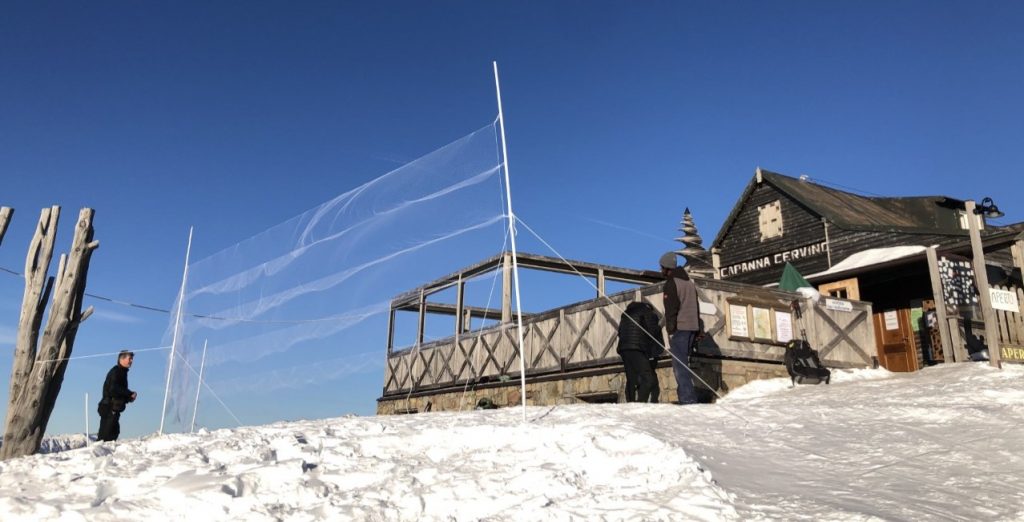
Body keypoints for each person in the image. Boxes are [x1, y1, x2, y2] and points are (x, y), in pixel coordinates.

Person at [660, 251, 700, 405]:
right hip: (692, 328)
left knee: (679, 366)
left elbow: (671, 310)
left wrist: (671, 331)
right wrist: (699, 330)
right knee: (684, 363)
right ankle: (687, 395)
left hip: (681, 328)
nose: (661, 270)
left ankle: (687, 398)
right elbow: (696, 307)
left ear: (666, 268)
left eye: (662, 267)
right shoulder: (689, 283)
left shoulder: (671, 284)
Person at [617, 301, 662, 402]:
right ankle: (641, 403)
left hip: (624, 348)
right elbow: (653, 331)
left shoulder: (625, 314)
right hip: (637, 347)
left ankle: (631, 403)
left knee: (631, 379)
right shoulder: (647, 312)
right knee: (648, 379)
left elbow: (619, 332)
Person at [97, 350, 137, 442]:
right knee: (105, 437)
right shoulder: (116, 371)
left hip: (114, 408)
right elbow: (114, 389)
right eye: (130, 358)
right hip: (109, 408)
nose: (131, 361)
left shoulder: (122, 372)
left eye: (132, 359)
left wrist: (129, 398)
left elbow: (118, 391)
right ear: (121, 359)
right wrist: (129, 393)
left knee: (113, 433)